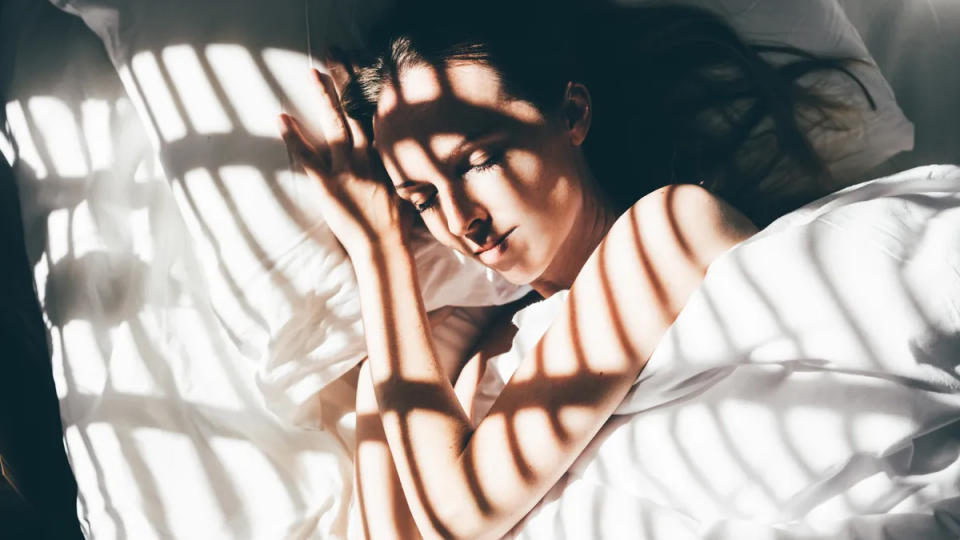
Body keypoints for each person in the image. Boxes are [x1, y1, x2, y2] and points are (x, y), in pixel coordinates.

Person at [277, 1, 873, 537]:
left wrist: (381, 252)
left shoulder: (668, 227)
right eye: (423, 200)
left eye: (478, 160)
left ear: (571, 113)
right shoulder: (485, 353)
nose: (461, 220)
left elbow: (455, 515)